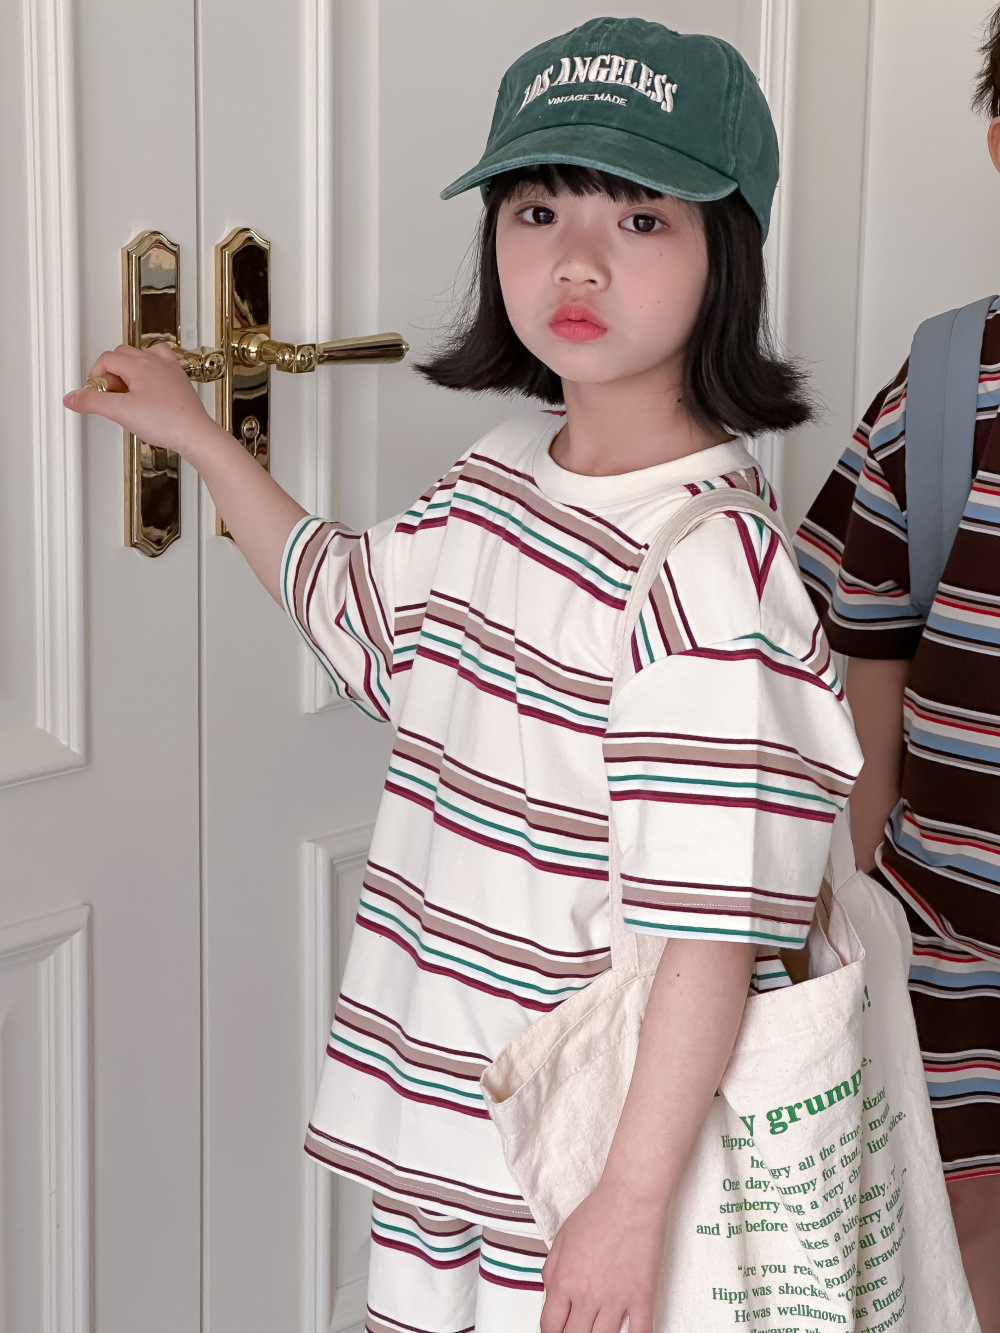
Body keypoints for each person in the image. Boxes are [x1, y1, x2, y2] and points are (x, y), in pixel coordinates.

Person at [66, 19, 861, 1333]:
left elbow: (711, 934)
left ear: (727, 254)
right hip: (441, 1127)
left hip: (581, 1166)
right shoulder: (501, 472)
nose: (578, 259)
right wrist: (198, 438)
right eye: (538, 209)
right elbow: (355, 607)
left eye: (642, 218)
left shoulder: (712, 568)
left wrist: (626, 1205)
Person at [793, 12, 1000, 1332]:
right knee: (957, 1234)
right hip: (944, 940)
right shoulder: (941, 390)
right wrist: (854, 903)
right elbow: (859, 653)